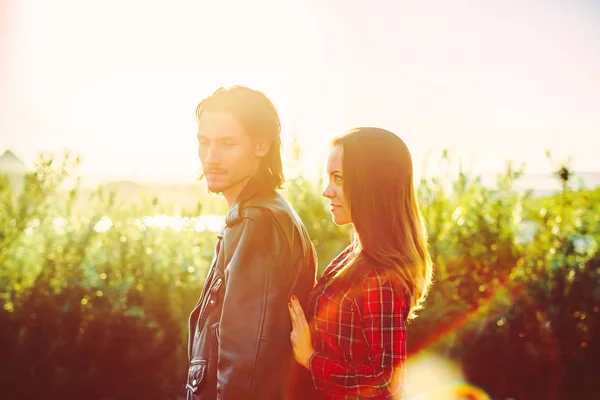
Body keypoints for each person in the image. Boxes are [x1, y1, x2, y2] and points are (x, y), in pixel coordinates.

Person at [186, 85, 317, 399]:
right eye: (204, 143)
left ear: (261, 145)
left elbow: (247, 356)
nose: (211, 157)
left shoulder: (257, 222)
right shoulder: (259, 213)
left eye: (227, 144)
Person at [288, 127, 433, 399]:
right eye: (329, 177)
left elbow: (386, 381)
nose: (326, 191)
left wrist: (311, 359)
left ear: (370, 185)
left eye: (338, 178)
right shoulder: (355, 254)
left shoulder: (380, 276)